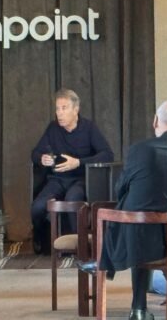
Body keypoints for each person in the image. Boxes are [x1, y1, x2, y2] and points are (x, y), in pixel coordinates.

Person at [95, 100, 167, 320]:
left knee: (136, 211)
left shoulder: (139, 150)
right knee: (145, 213)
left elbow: (120, 189)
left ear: (155, 121)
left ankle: (138, 308)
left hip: (138, 241)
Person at [30, 88, 114, 253]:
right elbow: (35, 153)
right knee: (37, 207)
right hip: (57, 179)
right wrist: (42, 158)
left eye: (64, 108)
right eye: (57, 109)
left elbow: (107, 154)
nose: (59, 113)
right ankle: (40, 238)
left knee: (73, 199)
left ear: (76, 110)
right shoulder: (53, 128)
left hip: (81, 179)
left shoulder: (89, 128)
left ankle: (79, 247)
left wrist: (79, 162)